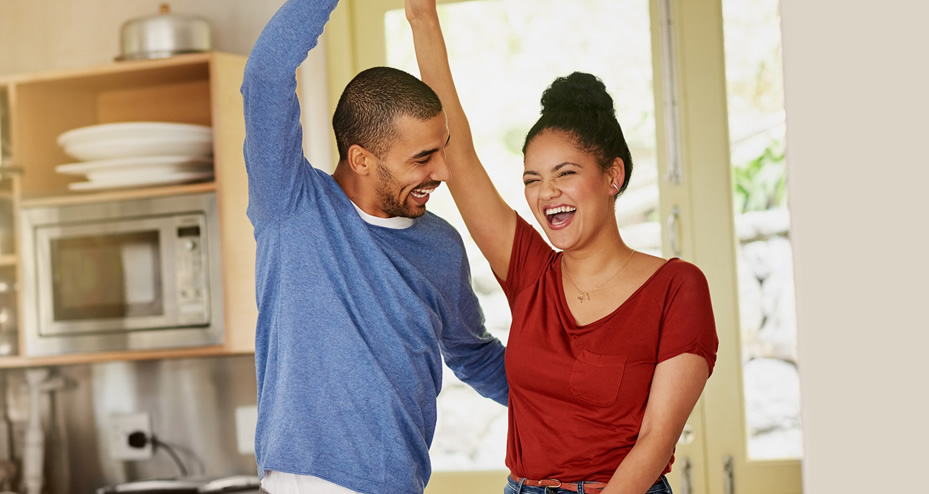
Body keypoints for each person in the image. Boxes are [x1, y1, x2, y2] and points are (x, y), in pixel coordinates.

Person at [405, 1, 719, 493]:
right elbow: (457, 153)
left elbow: (656, 440)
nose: (546, 193)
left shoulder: (677, 288)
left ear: (612, 175)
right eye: (532, 179)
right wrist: (422, 18)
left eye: (565, 174)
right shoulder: (530, 271)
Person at [241, 1, 509, 493]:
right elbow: (265, 75)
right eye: (423, 158)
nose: (443, 172)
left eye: (442, 150)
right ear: (361, 159)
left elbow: (476, 356)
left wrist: (579, 396)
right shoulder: (293, 206)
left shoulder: (441, 246)